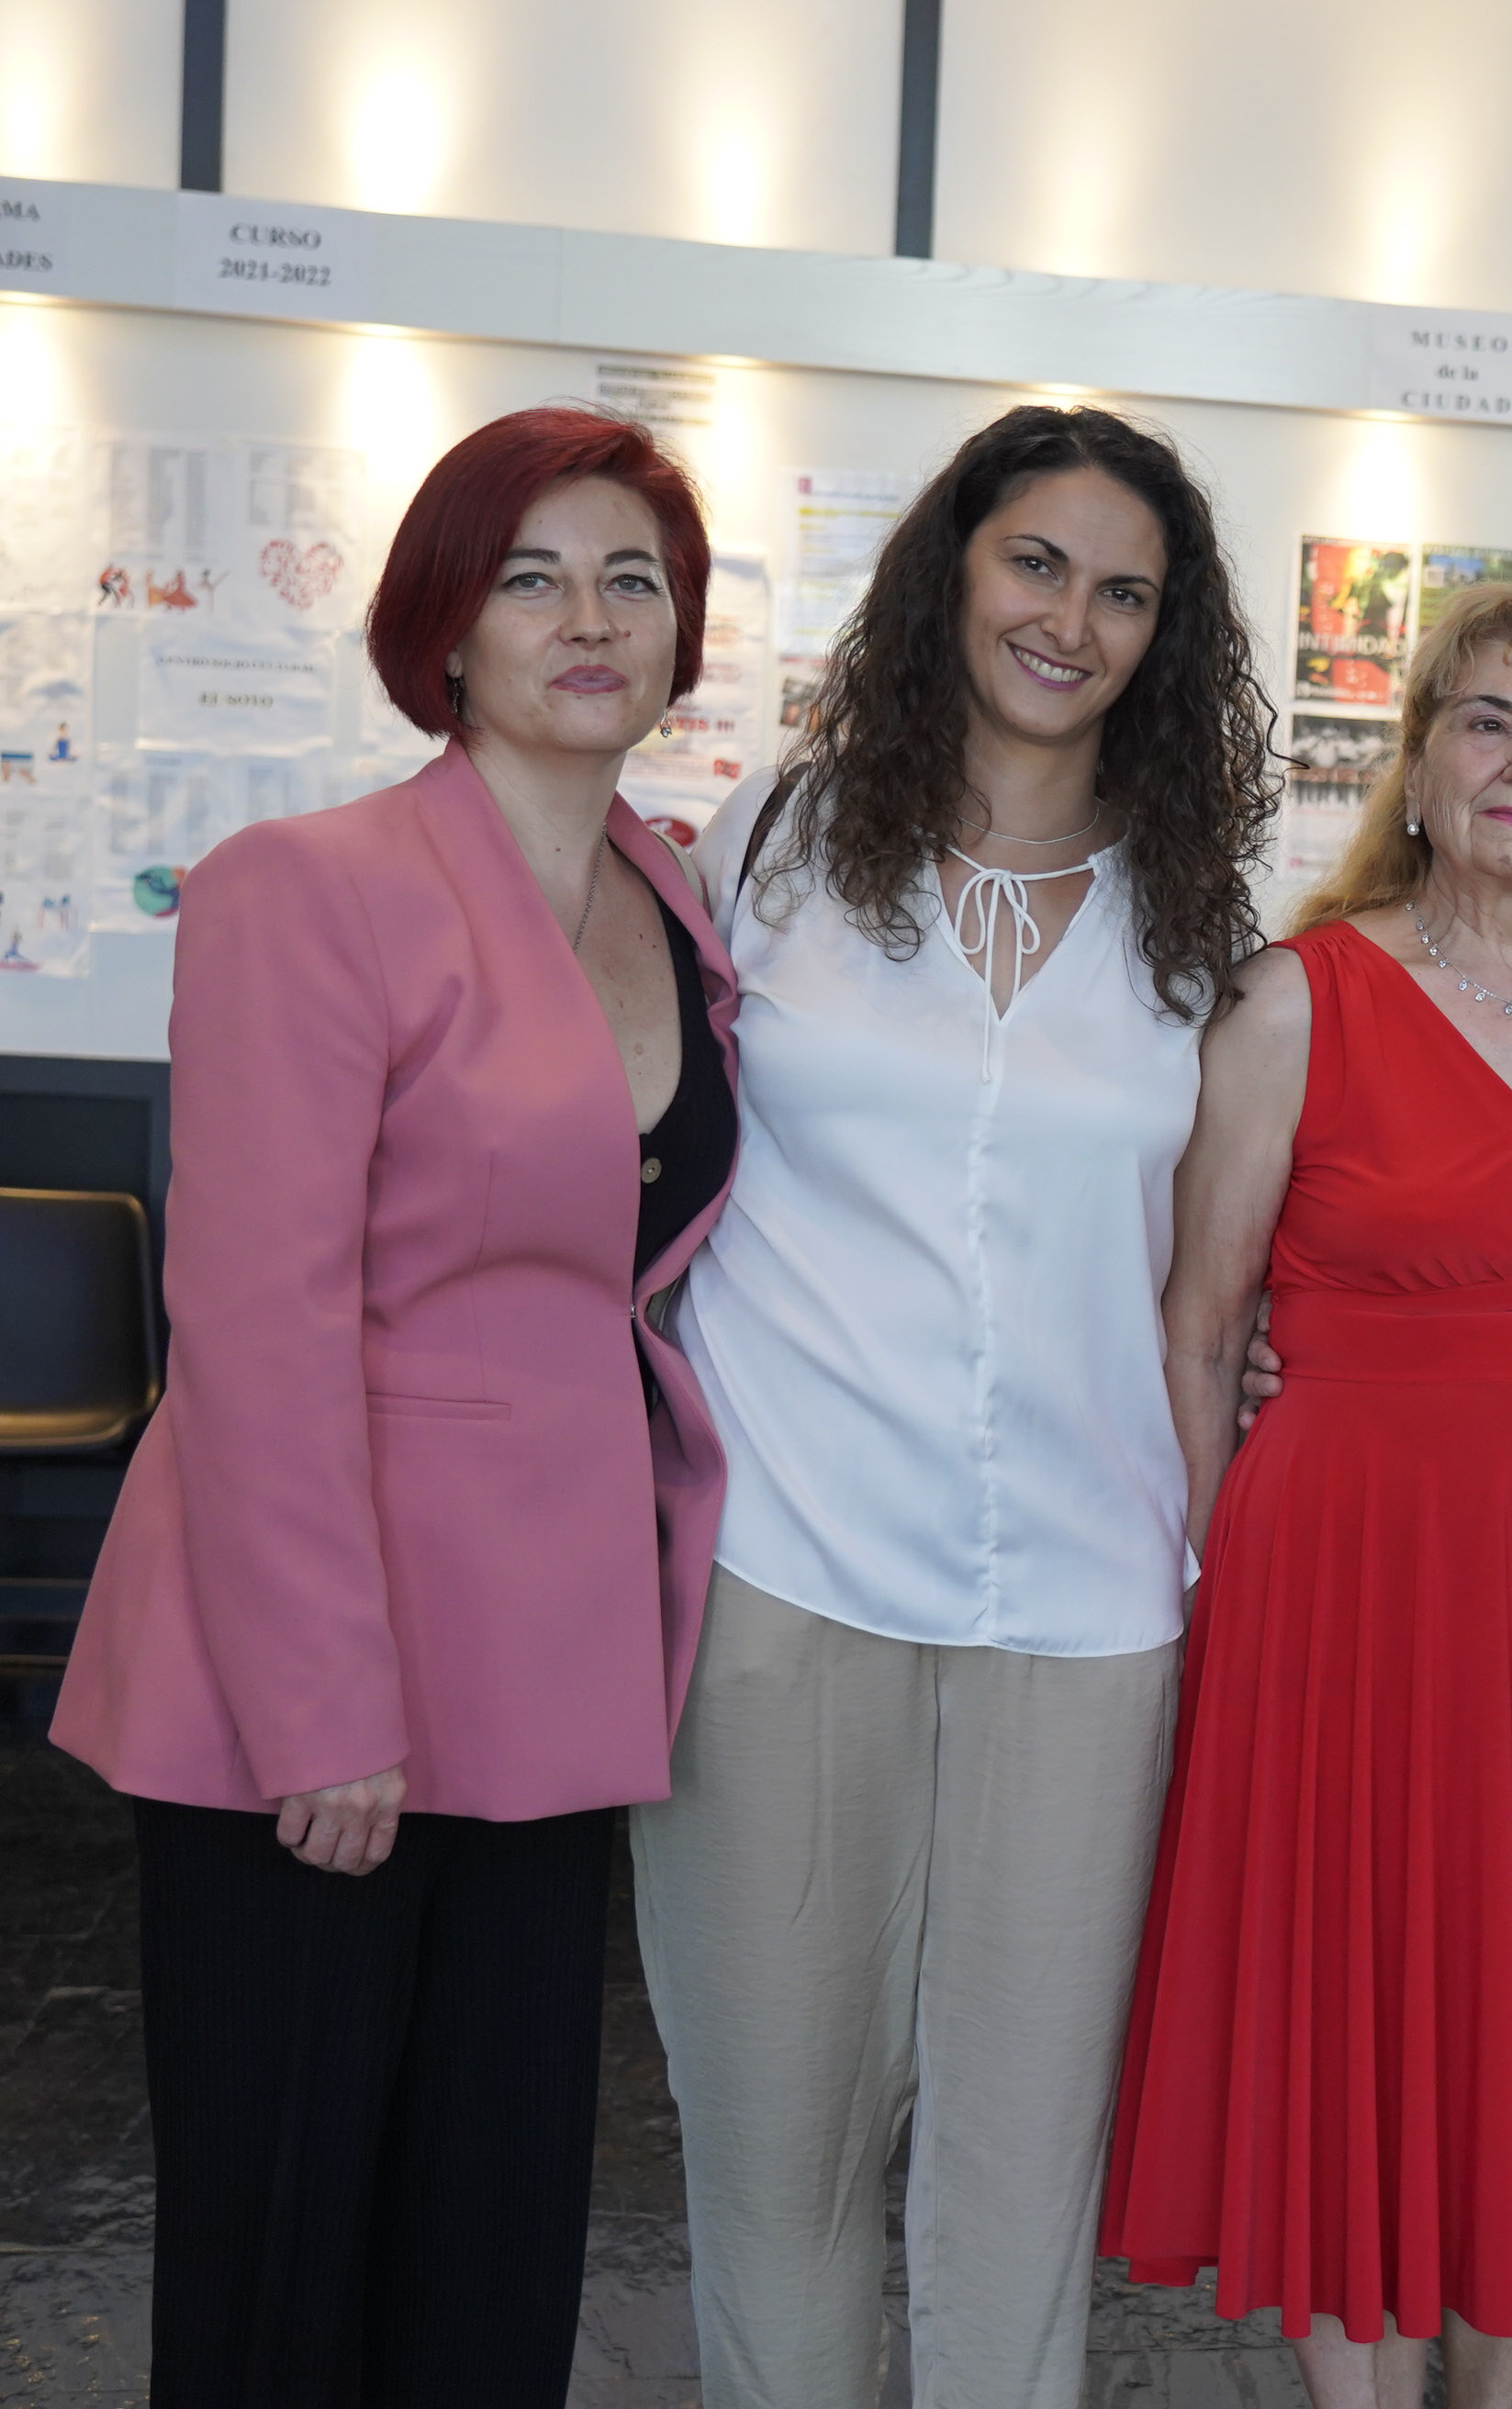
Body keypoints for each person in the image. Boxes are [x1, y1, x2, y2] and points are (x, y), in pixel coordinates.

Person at [51, 406, 740, 2403]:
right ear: (444, 623)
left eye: (631, 580)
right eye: (532, 577)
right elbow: (254, 1326)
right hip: (313, 1683)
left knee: (491, 2245)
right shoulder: (309, 887)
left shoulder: (680, 905)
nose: (589, 619)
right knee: (283, 2266)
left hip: (551, 1668)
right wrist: (324, 1706)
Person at [632, 404, 1279, 2407]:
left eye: (1125, 593)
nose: (1071, 620)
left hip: (1083, 1603)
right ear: (952, 569)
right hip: (782, 1568)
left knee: (1018, 2177)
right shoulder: (774, 844)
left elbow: (1214, 1275)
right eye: (1036, 563)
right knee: (777, 2156)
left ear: (1167, 639)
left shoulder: (1202, 922)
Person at [1103, 580, 1512, 2408]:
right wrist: (1214, 1591)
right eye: (1488, 721)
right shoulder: (1298, 998)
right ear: (1422, 762)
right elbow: (1200, 1327)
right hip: (1354, 1587)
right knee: (1364, 2003)